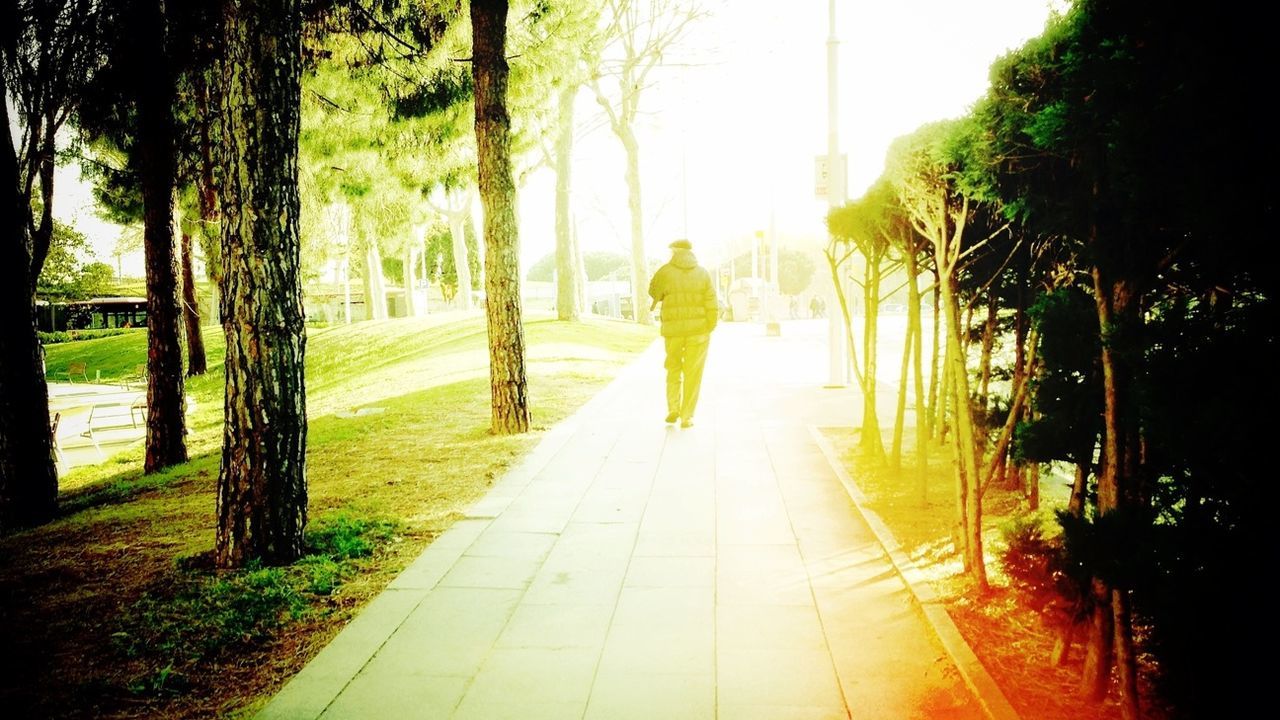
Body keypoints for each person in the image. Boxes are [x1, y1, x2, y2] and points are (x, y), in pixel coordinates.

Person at [648, 238, 719, 428]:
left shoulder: (665, 272)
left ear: (673, 251)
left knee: (673, 367)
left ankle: (673, 408)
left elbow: (653, 292)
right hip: (699, 333)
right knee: (693, 373)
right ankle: (687, 416)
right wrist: (709, 326)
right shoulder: (703, 273)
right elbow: (712, 303)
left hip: (673, 333)